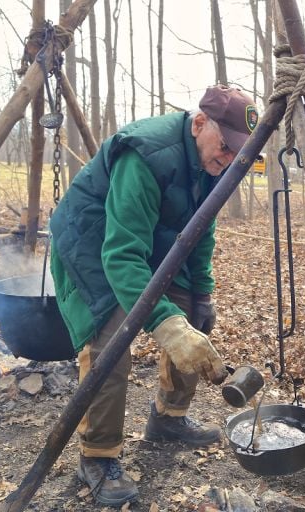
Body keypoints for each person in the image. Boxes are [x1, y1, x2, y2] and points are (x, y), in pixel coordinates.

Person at [49, 85, 259, 506]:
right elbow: (122, 255)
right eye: (225, 146)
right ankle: (97, 456)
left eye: (239, 152)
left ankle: (169, 417)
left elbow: (201, 229)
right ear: (199, 124)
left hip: (152, 243)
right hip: (94, 244)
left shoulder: (215, 164)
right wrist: (166, 326)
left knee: (192, 319)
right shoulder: (146, 155)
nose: (229, 158)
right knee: (111, 341)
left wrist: (201, 294)